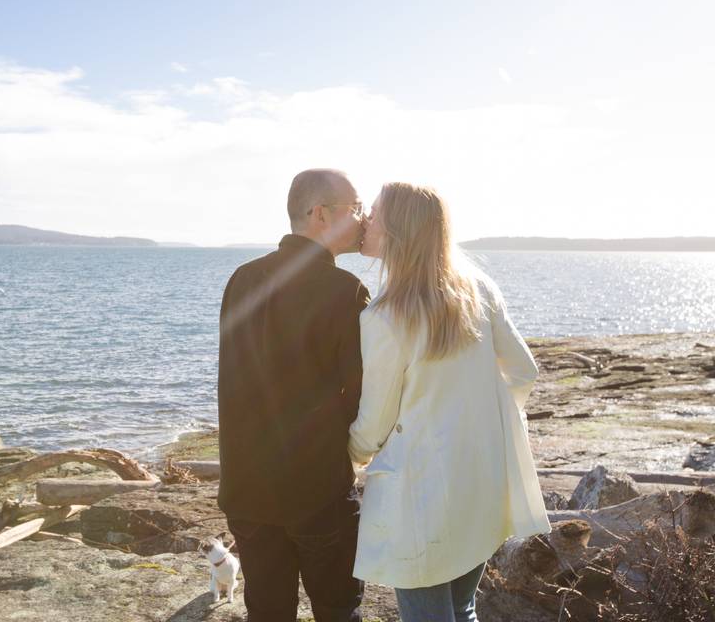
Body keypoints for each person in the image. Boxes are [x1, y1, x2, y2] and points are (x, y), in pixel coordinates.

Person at [348, 182, 552, 622]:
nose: (365, 220)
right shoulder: (478, 287)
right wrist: (481, 423)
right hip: (480, 477)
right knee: (462, 607)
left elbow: (374, 423)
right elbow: (524, 371)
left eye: (376, 213)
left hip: (419, 492)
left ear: (398, 232)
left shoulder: (384, 316)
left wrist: (346, 456)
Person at [217, 168, 371, 621]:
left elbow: (236, 380)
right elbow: (363, 395)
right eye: (355, 209)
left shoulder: (242, 278)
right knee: (338, 610)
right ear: (321, 214)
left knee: (266, 612)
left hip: (247, 490)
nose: (363, 219)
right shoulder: (345, 291)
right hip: (317, 491)